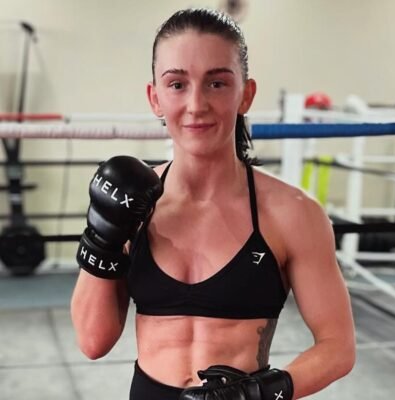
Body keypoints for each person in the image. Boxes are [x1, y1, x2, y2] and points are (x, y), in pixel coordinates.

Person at [71, 8, 355, 400]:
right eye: (177, 84)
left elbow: (338, 347)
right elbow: (92, 341)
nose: (196, 104)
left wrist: (255, 394)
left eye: (217, 83)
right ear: (155, 97)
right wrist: (102, 237)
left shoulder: (292, 213)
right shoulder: (130, 202)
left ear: (246, 94)